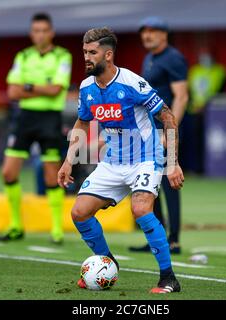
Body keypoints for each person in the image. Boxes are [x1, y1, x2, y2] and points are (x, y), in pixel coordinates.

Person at [57, 27, 184, 293]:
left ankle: (168, 278)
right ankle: (108, 263)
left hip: (145, 158)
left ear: (108, 54)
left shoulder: (131, 83)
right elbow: (82, 122)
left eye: (92, 53)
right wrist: (69, 161)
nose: (87, 58)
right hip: (114, 161)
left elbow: (168, 116)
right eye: (84, 52)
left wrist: (172, 162)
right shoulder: (87, 87)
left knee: (140, 210)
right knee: (79, 212)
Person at [0, 12, 72, 244]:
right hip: (25, 118)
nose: (40, 35)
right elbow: (12, 92)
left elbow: (56, 89)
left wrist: (27, 86)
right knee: (8, 172)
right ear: (31, 33)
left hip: (50, 119)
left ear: (51, 33)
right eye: (36, 31)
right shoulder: (23, 56)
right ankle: (16, 225)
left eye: (44, 30)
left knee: (51, 174)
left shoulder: (62, 55)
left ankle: (57, 229)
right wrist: (41, 86)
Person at [129, 16, 188, 254]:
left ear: (164, 34)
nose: (147, 36)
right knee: (151, 183)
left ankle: (173, 240)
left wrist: (169, 132)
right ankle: (158, 238)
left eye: (152, 31)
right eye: (144, 31)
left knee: (169, 182)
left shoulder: (173, 58)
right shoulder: (149, 58)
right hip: (148, 132)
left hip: (165, 131)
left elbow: (181, 96)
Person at [187, 47, 226, 173]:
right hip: (194, 111)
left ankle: (208, 169)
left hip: (212, 113)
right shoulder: (194, 71)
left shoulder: (220, 71)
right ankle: (195, 169)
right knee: (194, 142)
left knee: (211, 142)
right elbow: (188, 91)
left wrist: (206, 106)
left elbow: (221, 92)